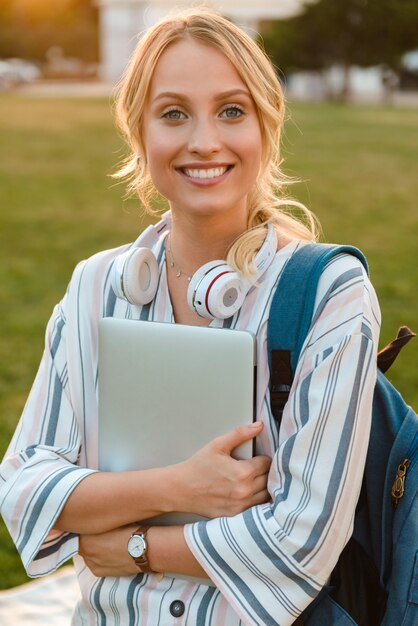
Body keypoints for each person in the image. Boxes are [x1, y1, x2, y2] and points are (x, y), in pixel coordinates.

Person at [0, 8, 381, 626]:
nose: (204, 140)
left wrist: (130, 545)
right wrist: (179, 488)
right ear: (139, 132)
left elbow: (301, 539)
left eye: (231, 110)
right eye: (173, 113)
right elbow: (22, 488)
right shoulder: (94, 286)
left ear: (265, 125)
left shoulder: (327, 292)